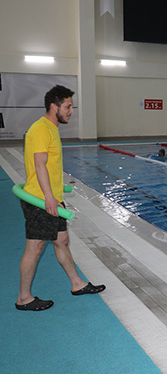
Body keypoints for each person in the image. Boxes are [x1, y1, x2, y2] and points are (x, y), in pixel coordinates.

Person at [16, 85, 106, 312]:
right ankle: (23, 298)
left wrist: (55, 194)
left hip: (52, 197)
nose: (71, 111)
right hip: (39, 200)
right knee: (35, 247)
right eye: (67, 107)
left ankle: (77, 284)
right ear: (53, 106)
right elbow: (39, 165)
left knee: (61, 241)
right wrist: (48, 198)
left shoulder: (52, 128)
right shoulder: (41, 129)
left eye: (71, 107)